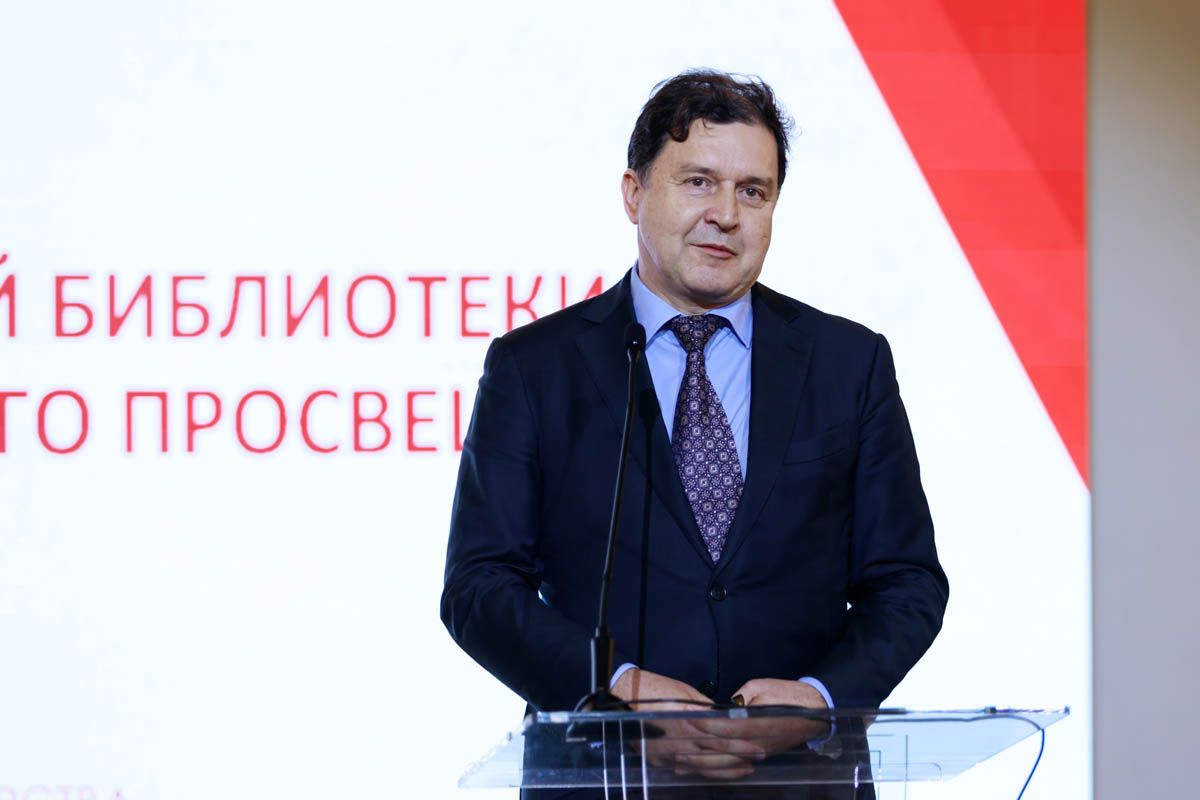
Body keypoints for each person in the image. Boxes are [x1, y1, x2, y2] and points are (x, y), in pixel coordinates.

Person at [441, 69, 949, 796]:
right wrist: (614, 687)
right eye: (699, 182)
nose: (726, 215)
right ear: (634, 194)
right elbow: (479, 587)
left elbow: (906, 582)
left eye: (753, 192)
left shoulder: (849, 363)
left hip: (801, 782)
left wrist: (821, 698)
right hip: (609, 777)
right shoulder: (536, 367)